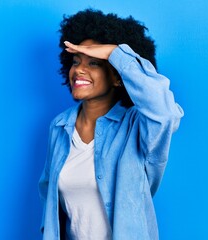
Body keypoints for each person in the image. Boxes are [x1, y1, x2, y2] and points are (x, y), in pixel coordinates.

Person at [38, 9, 184, 240]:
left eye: (94, 62)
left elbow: (165, 114)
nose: (79, 70)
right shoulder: (59, 127)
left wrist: (116, 53)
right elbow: (50, 198)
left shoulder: (136, 127)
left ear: (117, 77)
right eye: (76, 61)